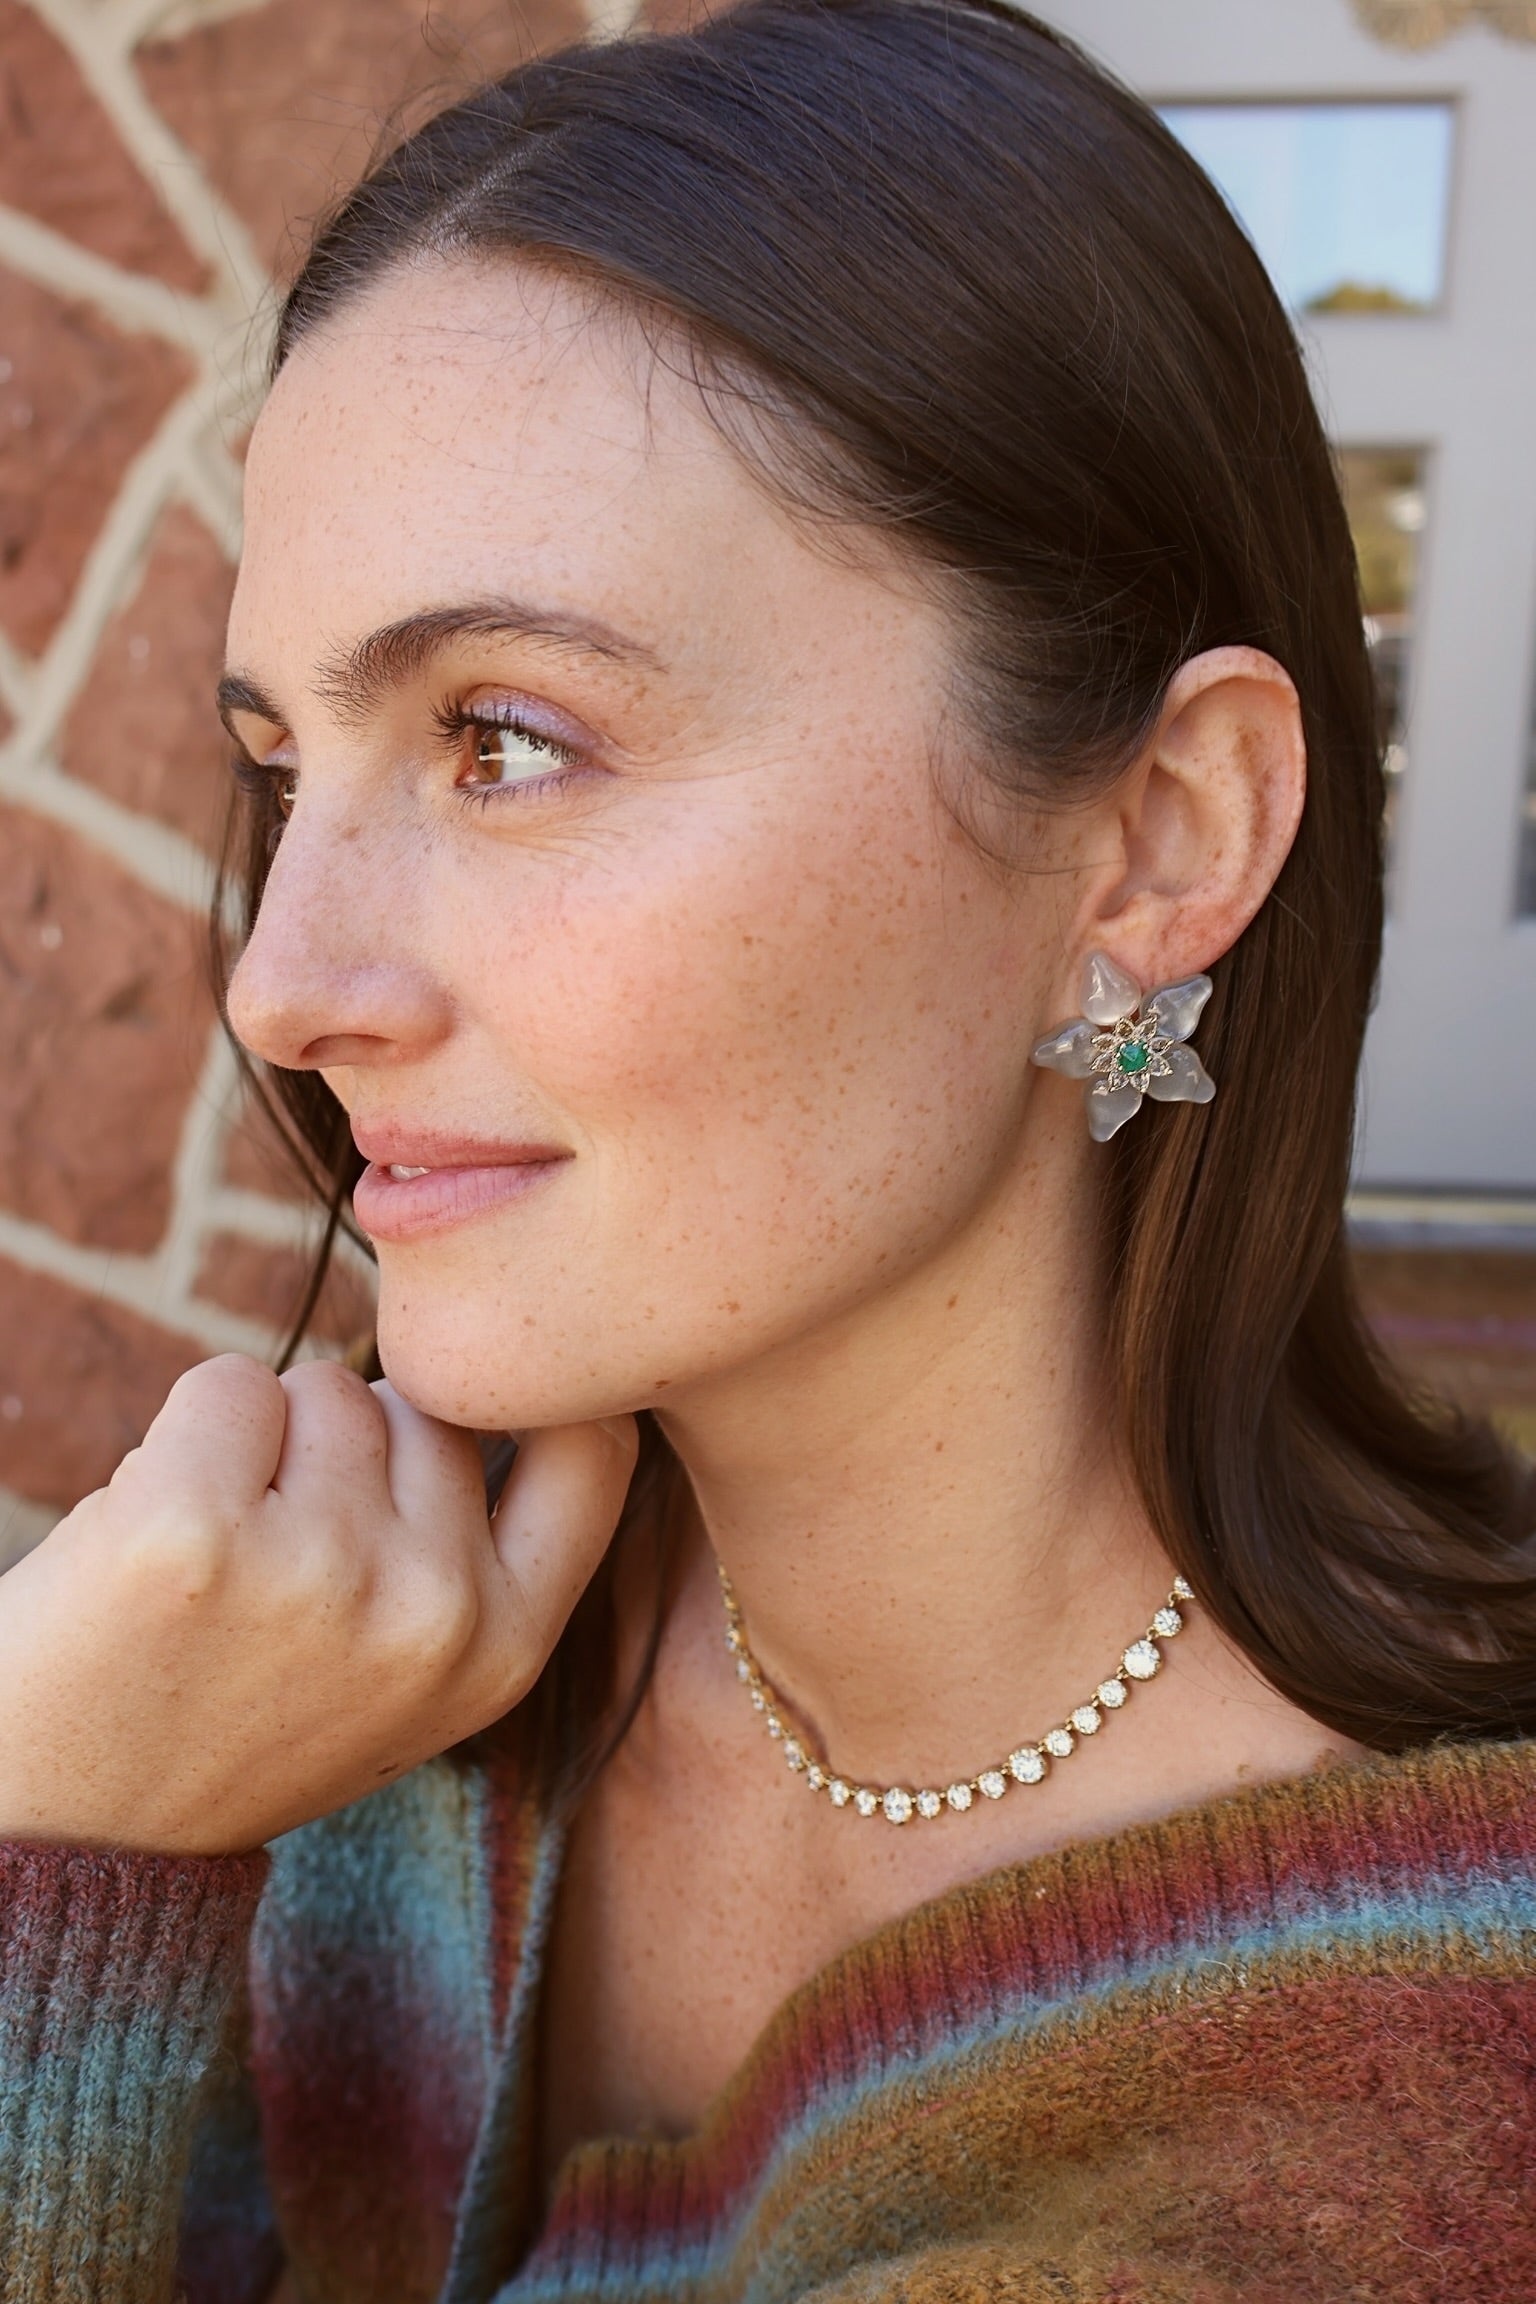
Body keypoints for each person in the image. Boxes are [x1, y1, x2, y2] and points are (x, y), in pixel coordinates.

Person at [2, 1, 1533, 2296]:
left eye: (504, 738)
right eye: (284, 768)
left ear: (1152, 840)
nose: (281, 982)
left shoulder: (1414, 2129)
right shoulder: (300, 1685)